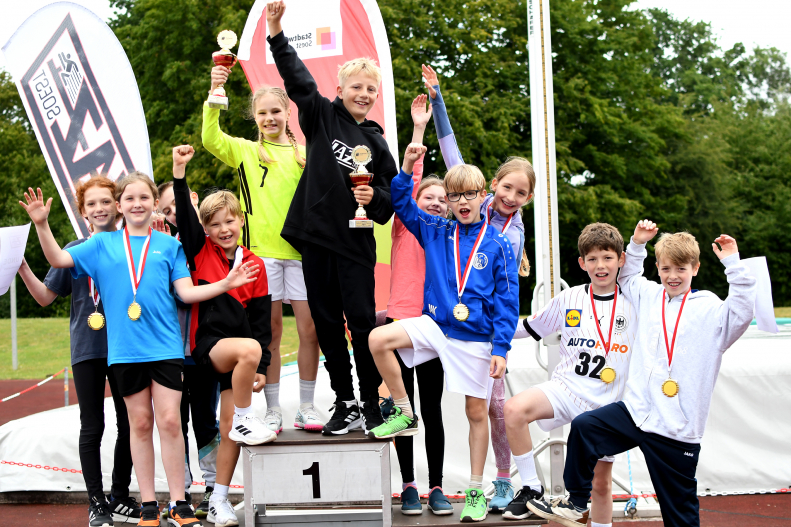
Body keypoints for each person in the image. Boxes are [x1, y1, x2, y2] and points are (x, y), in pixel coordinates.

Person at [21, 174, 260, 527]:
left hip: (164, 348)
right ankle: (149, 504)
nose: (137, 204)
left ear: (152, 203)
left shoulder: (169, 246)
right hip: (124, 352)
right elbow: (57, 260)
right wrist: (41, 224)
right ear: (120, 206)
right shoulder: (101, 245)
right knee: (140, 423)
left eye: (144, 197)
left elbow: (186, 293)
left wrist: (226, 283)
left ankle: (179, 503)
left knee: (169, 422)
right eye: (130, 198)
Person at [527, 221, 757, 527]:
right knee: (585, 427)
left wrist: (733, 264)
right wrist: (637, 244)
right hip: (636, 413)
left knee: (680, 516)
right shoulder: (650, 295)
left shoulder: (710, 309)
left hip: (676, 427)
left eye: (681, 269)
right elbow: (630, 274)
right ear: (658, 269)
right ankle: (577, 501)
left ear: (696, 268)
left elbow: (741, 313)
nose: (672, 277)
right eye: (665, 269)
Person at [368, 143, 519, 522]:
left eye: (470, 194)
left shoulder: (498, 244)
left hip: (475, 339)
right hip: (436, 327)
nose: (462, 201)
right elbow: (402, 201)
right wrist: (406, 164)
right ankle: (403, 410)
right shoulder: (435, 229)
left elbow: (507, 302)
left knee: (475, 412)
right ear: (449, 202)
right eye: (455, 196)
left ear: (483, 196)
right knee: (378, 339)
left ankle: (474, 492)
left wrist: (501, 348)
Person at [266, 0, 397, 435]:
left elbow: (388, 203)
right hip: (317, 240)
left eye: (371, 90)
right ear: (340, 89)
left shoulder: (377, 147)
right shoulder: (322, 116)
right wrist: (277, 31)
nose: (364, 94)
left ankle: (373, 401)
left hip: (356, 246)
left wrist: (372, 194)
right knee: (325, 325)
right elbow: (298, 80)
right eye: (356, 86)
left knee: (362, 325)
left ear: (376, 98)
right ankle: (345, 401)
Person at [423, 63, 535, 510]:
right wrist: (437, 99)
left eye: (520, 194)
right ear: (494, 183)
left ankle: (503, 479)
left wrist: (500, 346)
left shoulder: (515, 231)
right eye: (507, 187)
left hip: (485, 331)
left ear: (528, 198)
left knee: (495, 408)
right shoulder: (473, 197)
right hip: (447, 317)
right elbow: (450, 151)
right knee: (472, 406)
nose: (510, 197)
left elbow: (506, 288)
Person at [16, 176, 141, 527]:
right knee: (93, 425)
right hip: (87, 347)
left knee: (131, 421)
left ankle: (119, 496)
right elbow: (44, 297)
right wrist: (23, 266)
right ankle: (96, 502)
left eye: (105, 202)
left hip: (125, 347)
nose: (99, 209)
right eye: (91, 205)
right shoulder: (75, 248)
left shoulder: (133, 245)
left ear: (118, 206)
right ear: (84, 213)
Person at [202, 75, 323, 434]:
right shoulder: (246, 151)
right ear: (254, 118)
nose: (269, 118)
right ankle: (272, 409)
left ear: (288, 112)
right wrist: (215, 96)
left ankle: (306, 406)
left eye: (276, 111)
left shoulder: (306, 154)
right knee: (267, 333)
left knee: (310, 330)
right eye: (262, 113)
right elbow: (210, 138)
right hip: (261, 256)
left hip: (302, 254)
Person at [501, 223, 636, 527]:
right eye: (592, 259)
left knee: (600, 485)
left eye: (607, 258)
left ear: (621, 260)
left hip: (605, 403)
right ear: (581, 263)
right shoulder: (569, 299)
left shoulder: (634, 302)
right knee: (513, 409)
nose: (600, 265)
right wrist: (489, 332)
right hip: (566, 388)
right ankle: (532, 487)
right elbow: (529, 328)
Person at [172, 145, 278, 527]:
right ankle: (249, 418)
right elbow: (184, 219)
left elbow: (262, 323)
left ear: (240, 221)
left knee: (229, 427)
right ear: (206, 230)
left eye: (230, 221)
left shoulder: (255, 264)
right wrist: (179, 175)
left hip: (242, 360)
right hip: (208, 348)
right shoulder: (199, 252)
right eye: (215, 224)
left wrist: (261, 367)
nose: (224, 229)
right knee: (245, 362)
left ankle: (219, 499)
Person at [385, 95, 453, 516]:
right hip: (399, 320)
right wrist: (417, 131)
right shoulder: (405, 224)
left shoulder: (448, 236)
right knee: (404, 410)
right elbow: (402, 190)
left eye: (442, 199)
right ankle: (409, 485)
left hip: (434, 327)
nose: (435, 202)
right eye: (428, 196)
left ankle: (438, 486)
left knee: (432, 409)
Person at [157, 180, 221, 518]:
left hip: (202, 348)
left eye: (174, 206)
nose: (172, 214)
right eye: (166, 211)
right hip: (168, 351)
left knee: (206, 420)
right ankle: (179, 493)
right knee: (174, 423)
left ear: (191, 200)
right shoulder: (163, 246)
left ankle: (214, 490)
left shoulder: (210, 241)